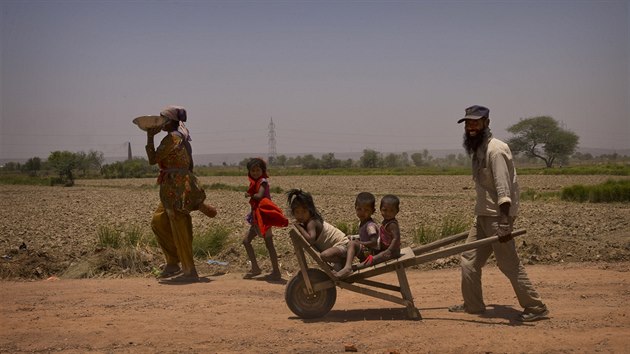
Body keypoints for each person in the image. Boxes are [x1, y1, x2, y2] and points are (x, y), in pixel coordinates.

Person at [449, 105, 549, 322]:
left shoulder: (496, 150)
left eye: (475, 122)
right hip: (483, 215)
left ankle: (536, 307)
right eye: (467, 123)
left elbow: (504, 190)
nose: (470, 127)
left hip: (498, 217)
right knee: (469, 260)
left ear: (487, 122)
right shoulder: (478, 149)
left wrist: (505, 223)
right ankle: (473, 305)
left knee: (508, 263)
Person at [146, 105, 217, 283]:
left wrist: (149, 136)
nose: (161, 123)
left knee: (179, 226)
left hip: (176, 187)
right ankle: (173, 262)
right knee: (159, 221)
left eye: (163, 119)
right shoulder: (180, 136)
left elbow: (153, 159)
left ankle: (189, 270)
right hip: (173, 186)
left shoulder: (173, 138)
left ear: (171, 121)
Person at [242, 158, 288, 280]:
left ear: (262, 171)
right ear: (249, 171)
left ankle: (276, 272)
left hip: (264, 217)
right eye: (253, 170)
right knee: (246, 241)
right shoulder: (254, 182)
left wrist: (250, 195)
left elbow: (259, 196)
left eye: (258, 170)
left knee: (268, 244)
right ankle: (256, 268)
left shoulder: (262, 182)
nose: (255, 173)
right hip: (257, 217)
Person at [287, 189, 348, 270]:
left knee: (324, 256)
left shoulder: (311, 223)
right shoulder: (308, 222)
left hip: (343, 246)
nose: (300, 215)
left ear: (310, 210)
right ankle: (340, 262)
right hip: (339, 249)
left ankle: (342, 261)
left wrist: (299, 227)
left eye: (304, 212)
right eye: (297, 212)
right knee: (325, 256)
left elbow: (311, 240)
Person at [333, 192, 380, 278]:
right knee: (348, 240)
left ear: (372, 211)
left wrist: (360, 243)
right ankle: (341, 265)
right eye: (359, 209)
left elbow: (374, 242)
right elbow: (364, 237)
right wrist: (353, 237)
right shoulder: (363, 223)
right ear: (355, 208)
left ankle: (347, 268)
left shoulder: (370, 226)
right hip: (366, 252)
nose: (362, 212)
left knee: (352, 244)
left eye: (366, 210)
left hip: (371, 255)